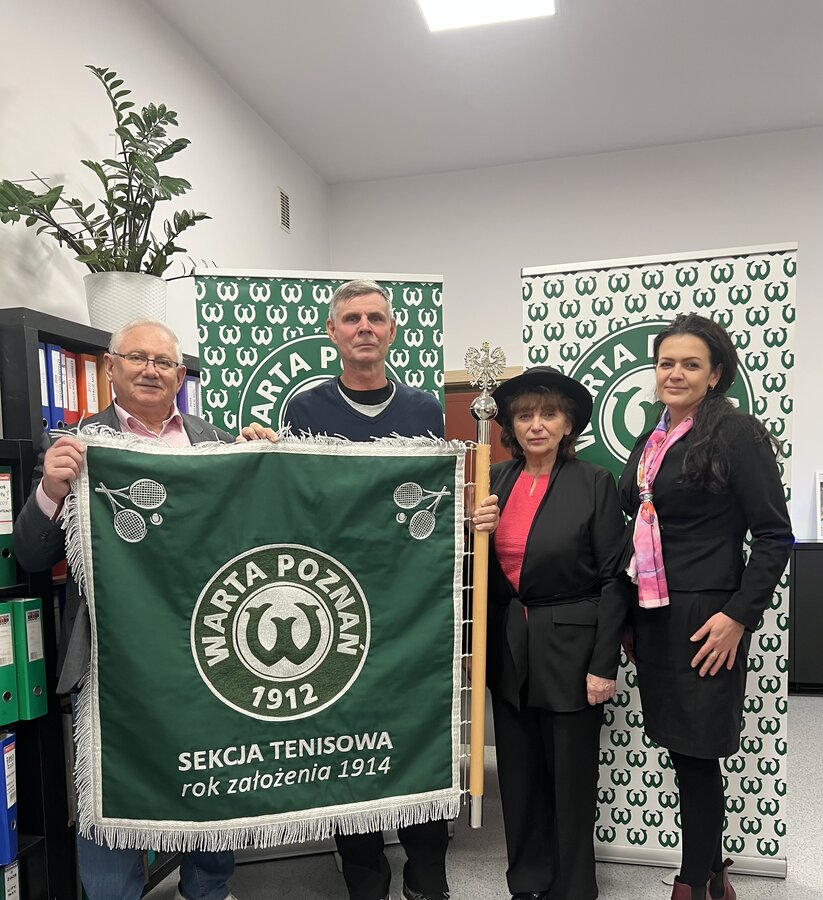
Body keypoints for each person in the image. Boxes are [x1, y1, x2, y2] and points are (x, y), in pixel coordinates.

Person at [13, 318, 274, 900]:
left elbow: (254, 537)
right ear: (111, 367)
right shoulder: (76, 446)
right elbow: (30, 553)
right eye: (137, 357)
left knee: (211, 776)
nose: (151, 370)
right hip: (114, 663)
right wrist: (52, 491)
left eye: (164, 362)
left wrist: (262, 463)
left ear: (181, 376)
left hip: (208, 651)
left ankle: (208, 890)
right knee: (114, 791)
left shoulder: (215, 442)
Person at [286, 279, 496, 900]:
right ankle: (365, 877)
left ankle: (427, 872)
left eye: (375, 318)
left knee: (420, 734)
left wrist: (467, 514)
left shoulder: (424, 410)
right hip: (338, 601)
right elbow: (293, 498)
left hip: (413, 604)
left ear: (392, 329)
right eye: (352, 318)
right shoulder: (305, 409)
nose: (364, 328)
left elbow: (434, 497)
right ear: (333, 331)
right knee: (347, 741)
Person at [617, 314, 793, 900]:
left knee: (696, 751)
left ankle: (692, 882)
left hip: (707, 617)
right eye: (666, 362)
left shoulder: (736, 434)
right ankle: (714, 871)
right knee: (679, 744)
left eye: (690, 364)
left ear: (715, 374)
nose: (675, 373)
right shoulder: (653, 438)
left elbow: (775, 536)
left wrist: (739, 616)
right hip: (654, 610)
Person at [486, 366, 628, 900]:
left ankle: (573, 887)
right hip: (509, 649)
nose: (536, 425)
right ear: (512, 426)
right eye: (525, 415)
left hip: (573, 650)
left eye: (549, 414)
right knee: (518, 777)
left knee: (570, 782)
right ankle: (527, 880)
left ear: (568, 424)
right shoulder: (493, 480)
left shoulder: (593, 482)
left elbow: (615, 578)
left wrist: (604, 664)